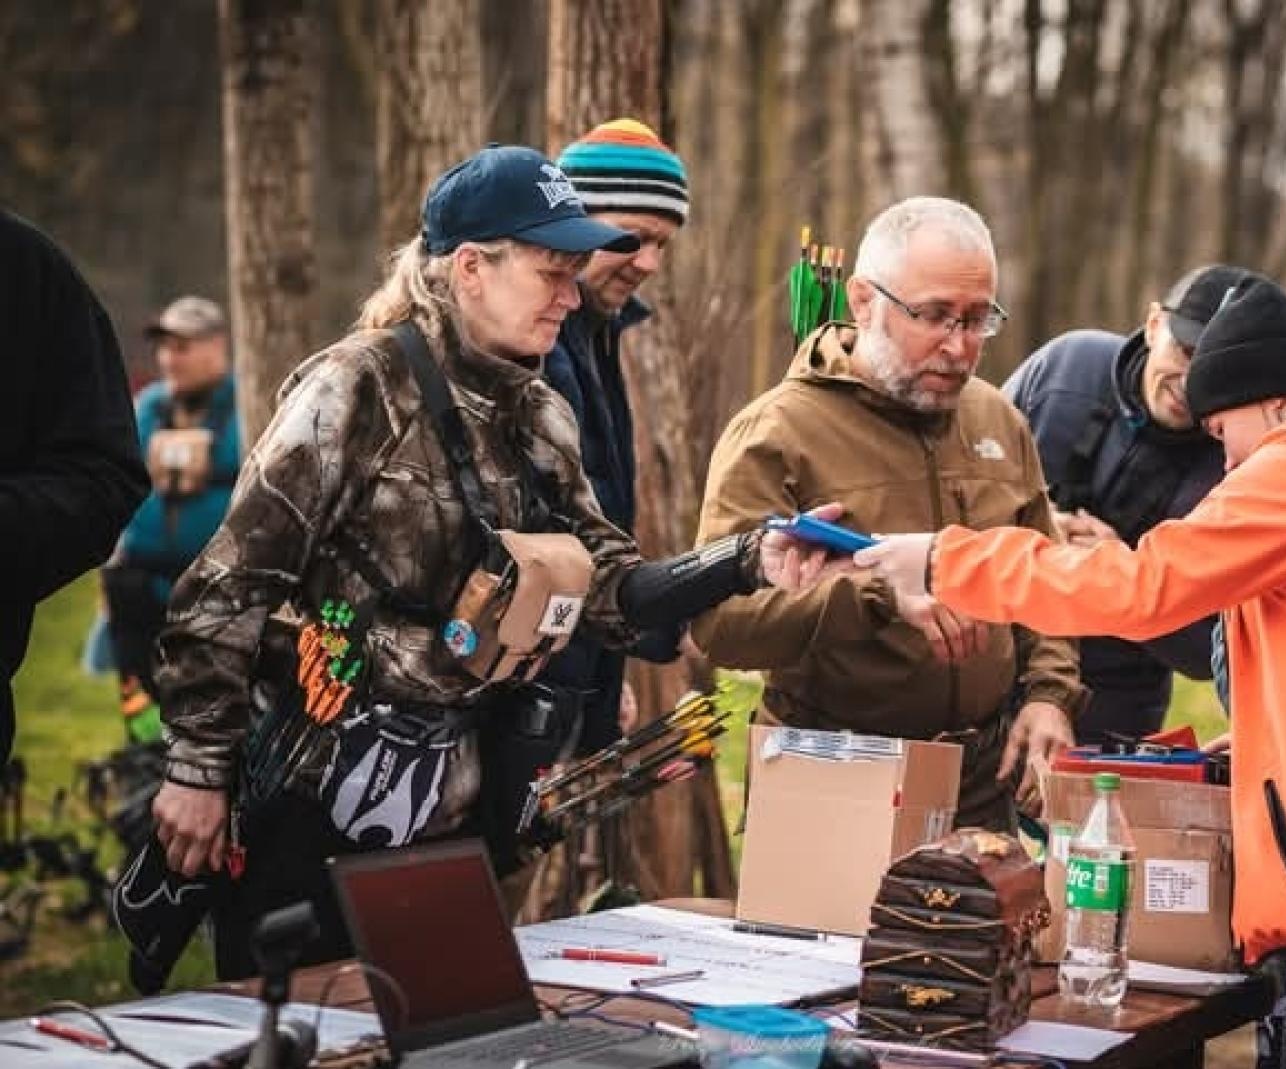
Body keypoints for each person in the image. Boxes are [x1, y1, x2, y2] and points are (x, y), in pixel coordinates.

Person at [145, 145, 835, 978]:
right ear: (470, 267)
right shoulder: (353, 389)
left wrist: (750, 557)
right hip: (307, 808)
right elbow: (226, 588)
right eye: (552, 271)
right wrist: (196, 767)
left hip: (455, 825)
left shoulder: (540, 413)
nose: (572, 296)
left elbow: (609, 590)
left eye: (576, 273)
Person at [860, 276, 1286, 1067]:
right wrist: (1264, 750)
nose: (1223, 460)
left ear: (1270, 402)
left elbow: (1141, 587)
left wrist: (947, 558)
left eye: (1222, 430)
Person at [692, 196, 1086, 831]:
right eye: (933, 316)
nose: (959, 346)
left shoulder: (997, 420)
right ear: (863, 300)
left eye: (978, 320)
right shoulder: (778, 432)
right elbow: (723, 628)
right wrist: (874, 592)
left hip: (980, 785)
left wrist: (1049, 696)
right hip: (829, 779)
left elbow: (1047, 577)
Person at [1002, 264, 1250, 743]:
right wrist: (1034, 523)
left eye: (1211, 366)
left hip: (1115, 700)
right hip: (1000, 654)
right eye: (1184, 351)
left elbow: (1210, 649)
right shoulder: (1066, 367)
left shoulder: (1232, 462)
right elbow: (973, 471)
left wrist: (1126, 576)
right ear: (1154, 323)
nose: (1190, 382)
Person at [541, 118, 692, 758]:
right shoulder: (538, 343)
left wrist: (605, 675)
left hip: (579, 669)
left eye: (663, 243)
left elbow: (601, 514)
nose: (650, 263)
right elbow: (553, 539)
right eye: (636, 237)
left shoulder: (598, 330)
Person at [0, 210, 148, 764]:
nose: (172, 357)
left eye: (186, 345)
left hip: (167, 597)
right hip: (136, 598)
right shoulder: (157, 405)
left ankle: (147, 769)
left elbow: (105, 476)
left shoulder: (23, 271)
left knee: (149, 714)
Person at [101, 297, 240, 743]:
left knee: (208, 704)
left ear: (217, 346)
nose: (169, 359)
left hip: (214, 589)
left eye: (182, 346)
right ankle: (141, 767)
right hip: (138, 589)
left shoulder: (247, 406)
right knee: (140, 698)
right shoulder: (147, 407)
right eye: (164, 347)